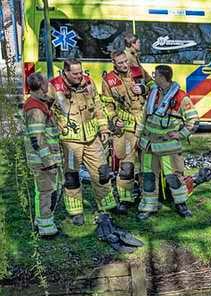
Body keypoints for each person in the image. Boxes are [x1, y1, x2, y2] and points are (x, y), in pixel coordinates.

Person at [49, 58, 116, 224]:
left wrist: (104, 129)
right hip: (70, 141)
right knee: (72, 176)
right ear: (65, 72)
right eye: (75, 73)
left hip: (92, 138)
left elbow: (98, 107)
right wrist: (53, 133)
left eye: (81, 72)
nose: (80, 76)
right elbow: (46, 111)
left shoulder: (88, 82)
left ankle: (107, 206)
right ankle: (76, 211)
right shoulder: (53, 86)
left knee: (102, 172)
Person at [137, 64, 199, 219]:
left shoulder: (180, 97)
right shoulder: (153, 93)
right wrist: (138, 135)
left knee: (174, 177)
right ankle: (148, 207)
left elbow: (194, 121)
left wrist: (181, 134)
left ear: (162, 77)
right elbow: (144, 116)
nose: (153, 76)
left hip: (168, 148)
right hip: (149, 146)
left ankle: (181, 205)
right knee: (149, 177)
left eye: (155, 74)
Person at [101, 49, 150, 212]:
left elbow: (154, 86)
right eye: (120, 63)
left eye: (125, 61)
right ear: (113, 63)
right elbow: (107, 105)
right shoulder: (108, 80)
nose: (124, 65)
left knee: (148, 163)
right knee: (126, 165)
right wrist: (114, 119)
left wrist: (142, 88)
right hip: (126, 128)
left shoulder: (139, 71)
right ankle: (125, 199)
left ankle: (149, 194)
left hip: (145, 124)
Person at [23, 72, 62, 238]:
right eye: (47, 83)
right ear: (42, 86)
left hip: (45, 159)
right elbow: (37, 139)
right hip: (43, 161)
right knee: (46, 191)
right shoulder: (35, 108)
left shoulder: (39, 102)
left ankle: (45, 220)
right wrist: (49, 161)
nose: (49, 86)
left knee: (50, 189)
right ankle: (45, 227)